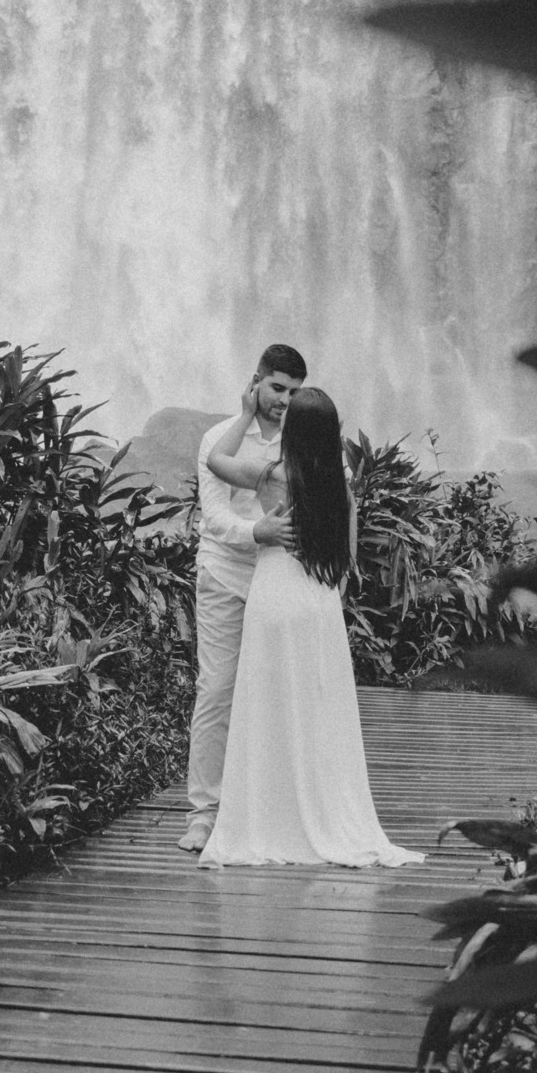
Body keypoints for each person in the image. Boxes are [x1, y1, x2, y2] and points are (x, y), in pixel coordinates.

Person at [197, 381, 423, 869]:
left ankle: (271, 814)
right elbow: (347, 549)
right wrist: (332, 586)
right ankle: (320, 807)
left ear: (292, 430)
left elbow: (216, 460)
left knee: (268, 704)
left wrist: (245, 413)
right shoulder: (339, 486)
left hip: (274, 594)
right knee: (318, 705)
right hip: (318, 600)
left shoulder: (271, 476)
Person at [177, 343, 308, 851]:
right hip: (226, 575)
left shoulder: (302, 441)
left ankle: (265, 810)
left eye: (294, 392)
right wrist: (258, 532)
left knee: (277, 694)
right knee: (217, 690)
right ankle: (204, 815)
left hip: (280, 581)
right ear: (256, 382)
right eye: (277, 388)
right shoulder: (219, 438)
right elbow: (213, 516)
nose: (284, 400)